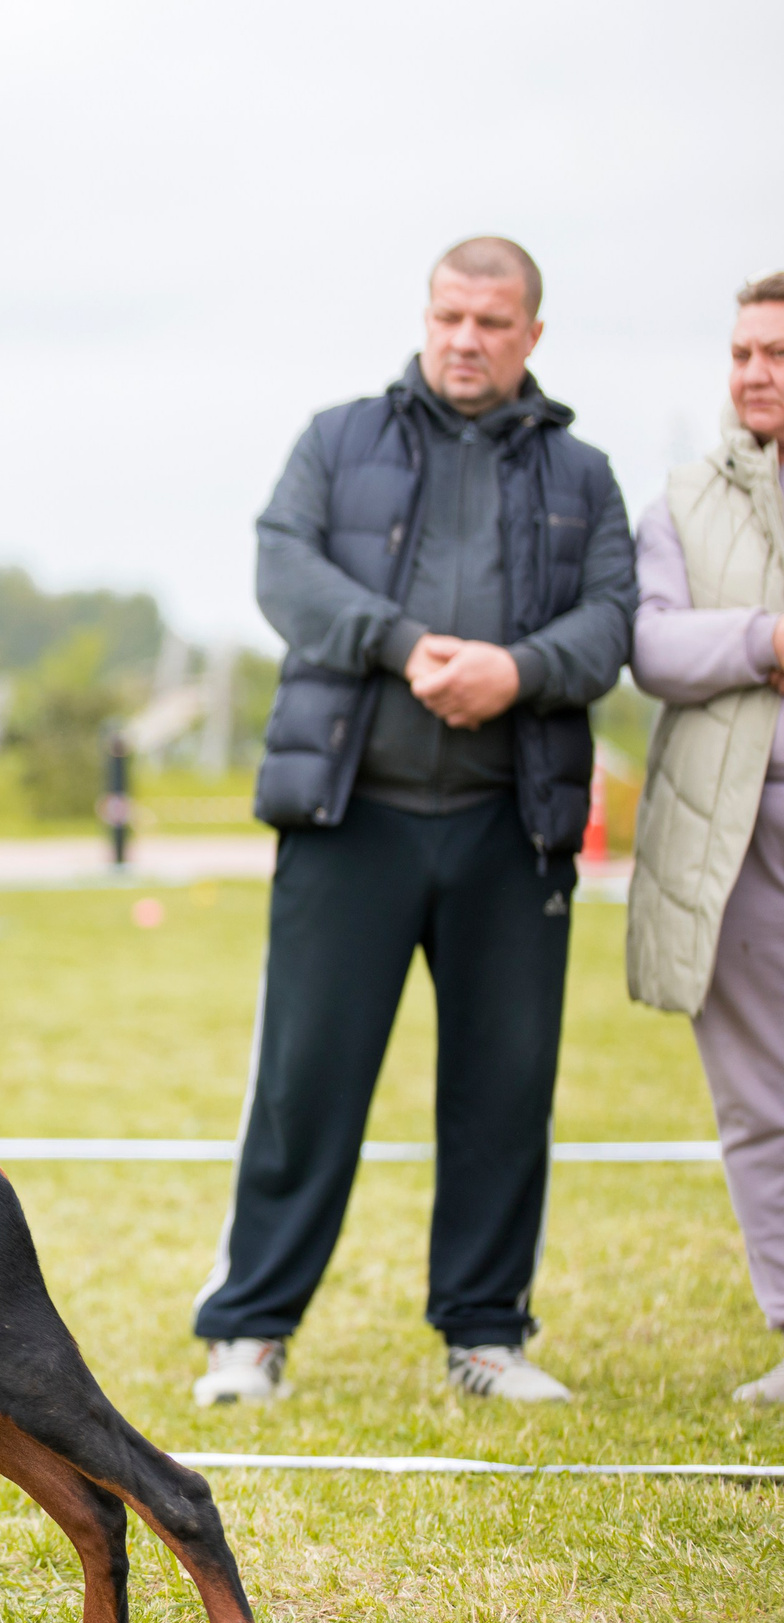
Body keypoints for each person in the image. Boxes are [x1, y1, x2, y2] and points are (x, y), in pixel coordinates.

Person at [194, 237, 636, 1406]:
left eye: (493, 322)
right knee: (304, 1081)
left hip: (510, 828)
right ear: (425, 314)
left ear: (531, 334)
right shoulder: (337, 439)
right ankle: (249, 1333)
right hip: (353, 817)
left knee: (504, 1089)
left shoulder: (583, 474)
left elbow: (609, 623)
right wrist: (401, 644)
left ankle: (485, 1338)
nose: (466, 339)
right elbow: (282, 571)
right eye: (449, 315)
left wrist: (517, 669)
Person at [626, 271, 784, 1406]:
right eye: (740, 352)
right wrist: (769, 637)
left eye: (773, 353)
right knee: (756, 1105)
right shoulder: (681, 497)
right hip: (725, 837)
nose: (752, 372)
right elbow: (655, 648)